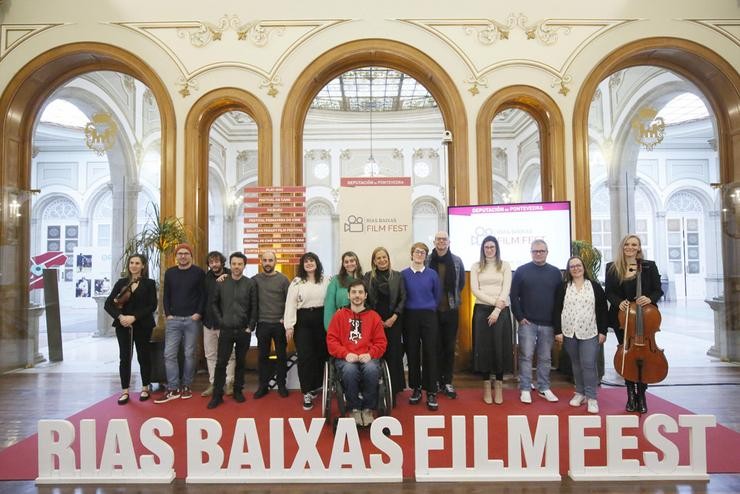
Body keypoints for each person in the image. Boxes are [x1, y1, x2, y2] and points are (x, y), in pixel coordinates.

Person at [605, 234, 664, 413]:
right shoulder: (612, 267)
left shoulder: (649, 266)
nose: (630, 247)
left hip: (644, 317)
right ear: (622, 247)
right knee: (627, 356)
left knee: (645, 355)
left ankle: (642, 394)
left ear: (639, 248)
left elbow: (658, 290)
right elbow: (609, 292)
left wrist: (649, 298)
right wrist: (618, 302)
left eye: (634, 244)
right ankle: (631, 393)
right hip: (622, 318)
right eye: (627, 244)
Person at [326, 279, 388, 427]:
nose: (357, 295)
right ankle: (354, 408)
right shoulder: (339, 315)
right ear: (348, 295)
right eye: (353, 292)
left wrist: (371, 354)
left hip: (368, 356)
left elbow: (381, 342)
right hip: (346, 357)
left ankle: (367, 409)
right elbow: (331, 340)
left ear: (366, 295)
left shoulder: (374, 317)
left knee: (372, 369)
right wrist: (345, 353)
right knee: (349, 370)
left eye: (360, 292)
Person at [553, 256, 609, 414]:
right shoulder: (563, 287)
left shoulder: (595, 287)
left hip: (590, 331)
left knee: (588, 364)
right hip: (569, 331)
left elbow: (602, 310)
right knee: (576, 364)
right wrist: (558, 331)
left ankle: (591, 398)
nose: (576, 268)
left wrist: (603, 331)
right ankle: (580, 393)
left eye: (578, 265)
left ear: (584, 267)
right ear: (569, 270)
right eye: (572, 266)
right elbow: (557, 310)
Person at [510, 239, 563, 404]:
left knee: (545, 358)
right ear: (531, 252)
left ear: (547, 252)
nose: (538, 254)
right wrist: (519, 317)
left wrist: (557, 324)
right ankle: (525, 387)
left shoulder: (555, 273)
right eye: (535, 251)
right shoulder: (521, 271)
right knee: (526, 356)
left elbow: (559, 300)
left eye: (541, 251)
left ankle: (543, 387)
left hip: (548, 324)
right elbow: (513, 296)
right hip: (528, 323)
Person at [155, 243, 206, 404]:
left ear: (191, 256)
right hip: (174, 320)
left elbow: (203, 295)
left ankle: (186, 385)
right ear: (176, 256)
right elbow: (166, 295)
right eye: (180, 254)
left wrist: (198, 313)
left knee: (189, 354)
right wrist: (168, 314)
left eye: (186, 253)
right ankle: (173, 387)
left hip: (192, 319)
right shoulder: (170, 273)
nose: (183, 256)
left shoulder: (199, 272)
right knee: (169, 354)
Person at [207, 252, 258, 409]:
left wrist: (251, 326)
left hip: (243, 330)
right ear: (230, 265)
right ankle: (217, 395)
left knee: (241, 362)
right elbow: (213, 303)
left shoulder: (250, 283)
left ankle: (238, 391)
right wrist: (221, 321)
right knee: (221, 363)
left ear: (244, 265)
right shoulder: (221, 282)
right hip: (226, 329)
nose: (236, 267)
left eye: (240, 264)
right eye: (234, 264)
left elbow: (254, 306)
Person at [104, 254, 157, 405]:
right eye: (131, 263)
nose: (134, 265)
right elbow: (108, 304)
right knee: (125, 357)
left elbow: (152, 305)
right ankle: (125, 390)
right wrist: (121, 317)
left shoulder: (149, 283)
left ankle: (145, 387)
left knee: (143, 356)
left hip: (142, 325)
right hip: (123, 326)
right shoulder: (121, 282)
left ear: (143, 266)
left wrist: (134, 317)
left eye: (137, 263)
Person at [284, 252, 330, 411]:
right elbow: (290, 304)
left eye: (312, 261)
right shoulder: (297, 282)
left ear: (317, 263)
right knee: (305, 356)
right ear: (302, 265)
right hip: (303, 321)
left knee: (321, 354)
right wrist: (289, 326)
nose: (309, 264)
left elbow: (331, 301)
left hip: (322, 319)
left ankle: (317, 386)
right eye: (306, 262)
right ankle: (306, 393)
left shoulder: (326, 280)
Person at [470, 236, 512, 405]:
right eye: (486, 247)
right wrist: (494, 303)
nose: (489, 249)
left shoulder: (505, 265)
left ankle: (499, 386)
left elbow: (506, 288)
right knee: (484, 348)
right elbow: (475, 290)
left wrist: (497, 310)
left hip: (501, 311)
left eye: (492, 246)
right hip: (481, 310)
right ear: (483, 249)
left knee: (499, 348)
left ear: (497, 248)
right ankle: (487, 386)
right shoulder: (476, 266)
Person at [401, 242, 441, 411]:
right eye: (417, 252)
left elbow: (437, 296)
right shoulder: (403, 274)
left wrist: (429, 308)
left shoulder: (432, 274)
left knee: (431, 352)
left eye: (423, 252)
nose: (419, 254)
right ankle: (416, 389)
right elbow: (402, 296)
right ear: (412, 254)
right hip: (410, 316)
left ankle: (431, 391)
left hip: (428, 316)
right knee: (412, 352)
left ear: (426, 256)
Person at [364, 246, 406, 404]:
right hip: (374, 323)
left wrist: (394, 317)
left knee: (393, 356)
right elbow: (365, 300)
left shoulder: (397, 276)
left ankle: (392, 392)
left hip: (394, 322)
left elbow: (403, 298)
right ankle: (375, 391)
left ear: (388, 259)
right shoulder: (368, 277)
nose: (382, 260)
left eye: (384, 257)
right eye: (378, 258)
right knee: (376, 356)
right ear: (374, 261)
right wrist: (377, 320)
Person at [426, 231, 465, 399]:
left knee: (449, 348)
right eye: (438, 239)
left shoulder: (456, 261)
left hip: (450, 310)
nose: (441, 241)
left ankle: (447, 382)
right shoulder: (427, 260)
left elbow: (461, 283)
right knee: (434, 348)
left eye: (444, 239)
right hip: (431, 310)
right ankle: (434, 381)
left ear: (449, 242)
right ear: (434, 242)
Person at [252, 249, 290, 399]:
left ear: (275, 262)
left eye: (270, 260)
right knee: (262, 356)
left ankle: (281, 385)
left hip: (279, 324)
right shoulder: (254, 280)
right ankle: (263, 386)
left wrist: (285, 319)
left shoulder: (283, 280)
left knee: (281, 356)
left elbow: (289, 302)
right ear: (261, 262)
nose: (267, 263)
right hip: (262, 324)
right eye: (265, 260)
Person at [201, 251, 234, 398]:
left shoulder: (230, 275)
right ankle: (214, 383)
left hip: (225, 322)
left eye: (217, 261)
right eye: (211, 262)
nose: (214, 264)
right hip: (208, 322)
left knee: (229, 354)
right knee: (210, 354)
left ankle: (229, 383)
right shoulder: (206, 278)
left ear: (222, 262)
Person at [324, 251, 363, 330]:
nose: (349, 264)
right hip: (341, 320)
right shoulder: (336, 280)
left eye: (352, 261)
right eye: (346, 262)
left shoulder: (363, 279)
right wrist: (329, 327)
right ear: (343, 265)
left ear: (357, 262)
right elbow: (329, 304)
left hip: (360, 321)